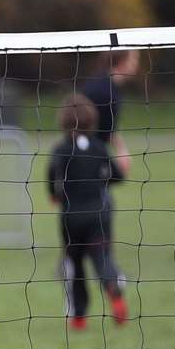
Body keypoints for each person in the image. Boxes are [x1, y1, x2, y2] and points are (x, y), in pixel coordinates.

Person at [47, 93, 129, 329]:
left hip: (71, 217)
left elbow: (52, 175)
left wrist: (54, 195)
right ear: (92, 120)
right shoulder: (99, 147)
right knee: (102, 257)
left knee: (75, 264)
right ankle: (113, 287)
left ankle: (79, 317)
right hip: (99, 215)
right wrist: (99, 181)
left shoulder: (61, 149)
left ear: (63, 120)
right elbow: (117, 175)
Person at [80, 48, 139, 177]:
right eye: (133, 59)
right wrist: (121, 151)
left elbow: (109, 128)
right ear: (122, 61)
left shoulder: (111, 86)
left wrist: (121, 150)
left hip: (94, 151)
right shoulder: (103, 90)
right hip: (86, 153)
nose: (136, 63)